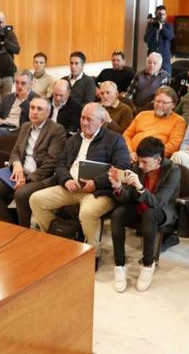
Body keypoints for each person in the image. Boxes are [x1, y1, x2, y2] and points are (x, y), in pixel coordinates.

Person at [29, 103, 131, 256]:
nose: (84, 122)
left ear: (101, 122)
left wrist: (95, 183)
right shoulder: (74, 139)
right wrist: (66, 180)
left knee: (87, 212)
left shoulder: (115, 140)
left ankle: (92, 254)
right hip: (72, 187)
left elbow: (121, 167)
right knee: (36, 199)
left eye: (89, 119)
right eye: (82, 118)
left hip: (99, 192)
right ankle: (56, 237)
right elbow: (60, 164)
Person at [109, 137, 181, 293]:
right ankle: (119, 265)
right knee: (117, 214)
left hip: (161, 211)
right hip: (139, 206)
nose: (140, 166)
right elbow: (128, 197)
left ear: (158, 160)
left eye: (144, 162)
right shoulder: (138, 167)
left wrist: (140, 187)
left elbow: (159, 202)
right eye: (139, 161)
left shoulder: (173, 170)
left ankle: (148, 264)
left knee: (150, 213)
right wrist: (119, 188)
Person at [0, 98, 66, 227]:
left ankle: (23, 229)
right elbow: (15, 151)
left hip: (41, 177)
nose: (34, 112)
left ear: (48, 113)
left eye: (39, 109)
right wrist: (16, 164)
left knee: (21, 194)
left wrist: (27, 179)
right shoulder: (26, 126)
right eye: (32, 108)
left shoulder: (57, 130)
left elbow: (51, 163)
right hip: (20, 172)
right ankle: (9, 225)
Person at [122, 86, 186, 160]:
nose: (159, 105)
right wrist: (129, 152)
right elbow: (126, 135)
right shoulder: (142, 114)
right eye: (157, 101)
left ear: (173, 105)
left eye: (164, 102)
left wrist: (146, 157)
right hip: (130, 155)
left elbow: (173, 146)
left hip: (153, 160)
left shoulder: (179, 121)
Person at [144, 5, 175, 74]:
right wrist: (154, 27)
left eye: (163, 14)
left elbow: (171, 37)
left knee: (166, 77)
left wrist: (162, 28)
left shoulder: (168, 25)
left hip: (165, 58)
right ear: (155, 14)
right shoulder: (151, 25)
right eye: (159, 14)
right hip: (152, 57)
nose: (161, 16)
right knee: (151, 78)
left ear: (166, 15)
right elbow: (146, 39)